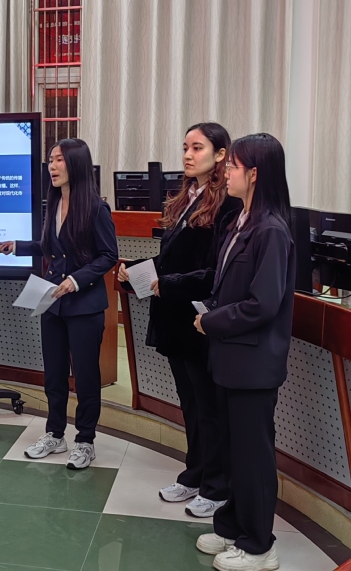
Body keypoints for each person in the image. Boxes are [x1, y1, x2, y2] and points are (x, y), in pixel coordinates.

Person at [116, 122, 241, 517]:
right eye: (185, 147)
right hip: (175, 318)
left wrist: (166, 283)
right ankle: (195, 473)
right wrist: (136, 270)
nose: (187, 155)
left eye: (197, 148)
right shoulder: (188, 197)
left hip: (200, 320)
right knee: (191, 405)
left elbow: (216, 271)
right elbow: (171, 259)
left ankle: (217, 485)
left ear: (220, 155)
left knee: (209, 407)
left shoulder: (229, 204)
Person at [194, 133, 295, 571]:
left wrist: (212, 321)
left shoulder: (271, 230)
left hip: (253, 363)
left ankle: (259, 546)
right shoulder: (241, 221)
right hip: (230, 359)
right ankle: (233, 527)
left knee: (253, 458)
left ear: (254, 174)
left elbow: (263, 304)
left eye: (232, 166)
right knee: (235, 452)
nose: (226, 173)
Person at [0, 138, 118, 470]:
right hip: (52, 304)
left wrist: (76, 280)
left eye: (59, 160)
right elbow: (51, 247)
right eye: (51, 160)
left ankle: (85, 440)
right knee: (54, 374)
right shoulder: (54, 203)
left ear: (76, 164)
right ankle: (55, 434)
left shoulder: (96, 208)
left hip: (84, 306)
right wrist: (18, 246)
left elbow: (109, 255)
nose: (52, 166)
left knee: (86, 378)